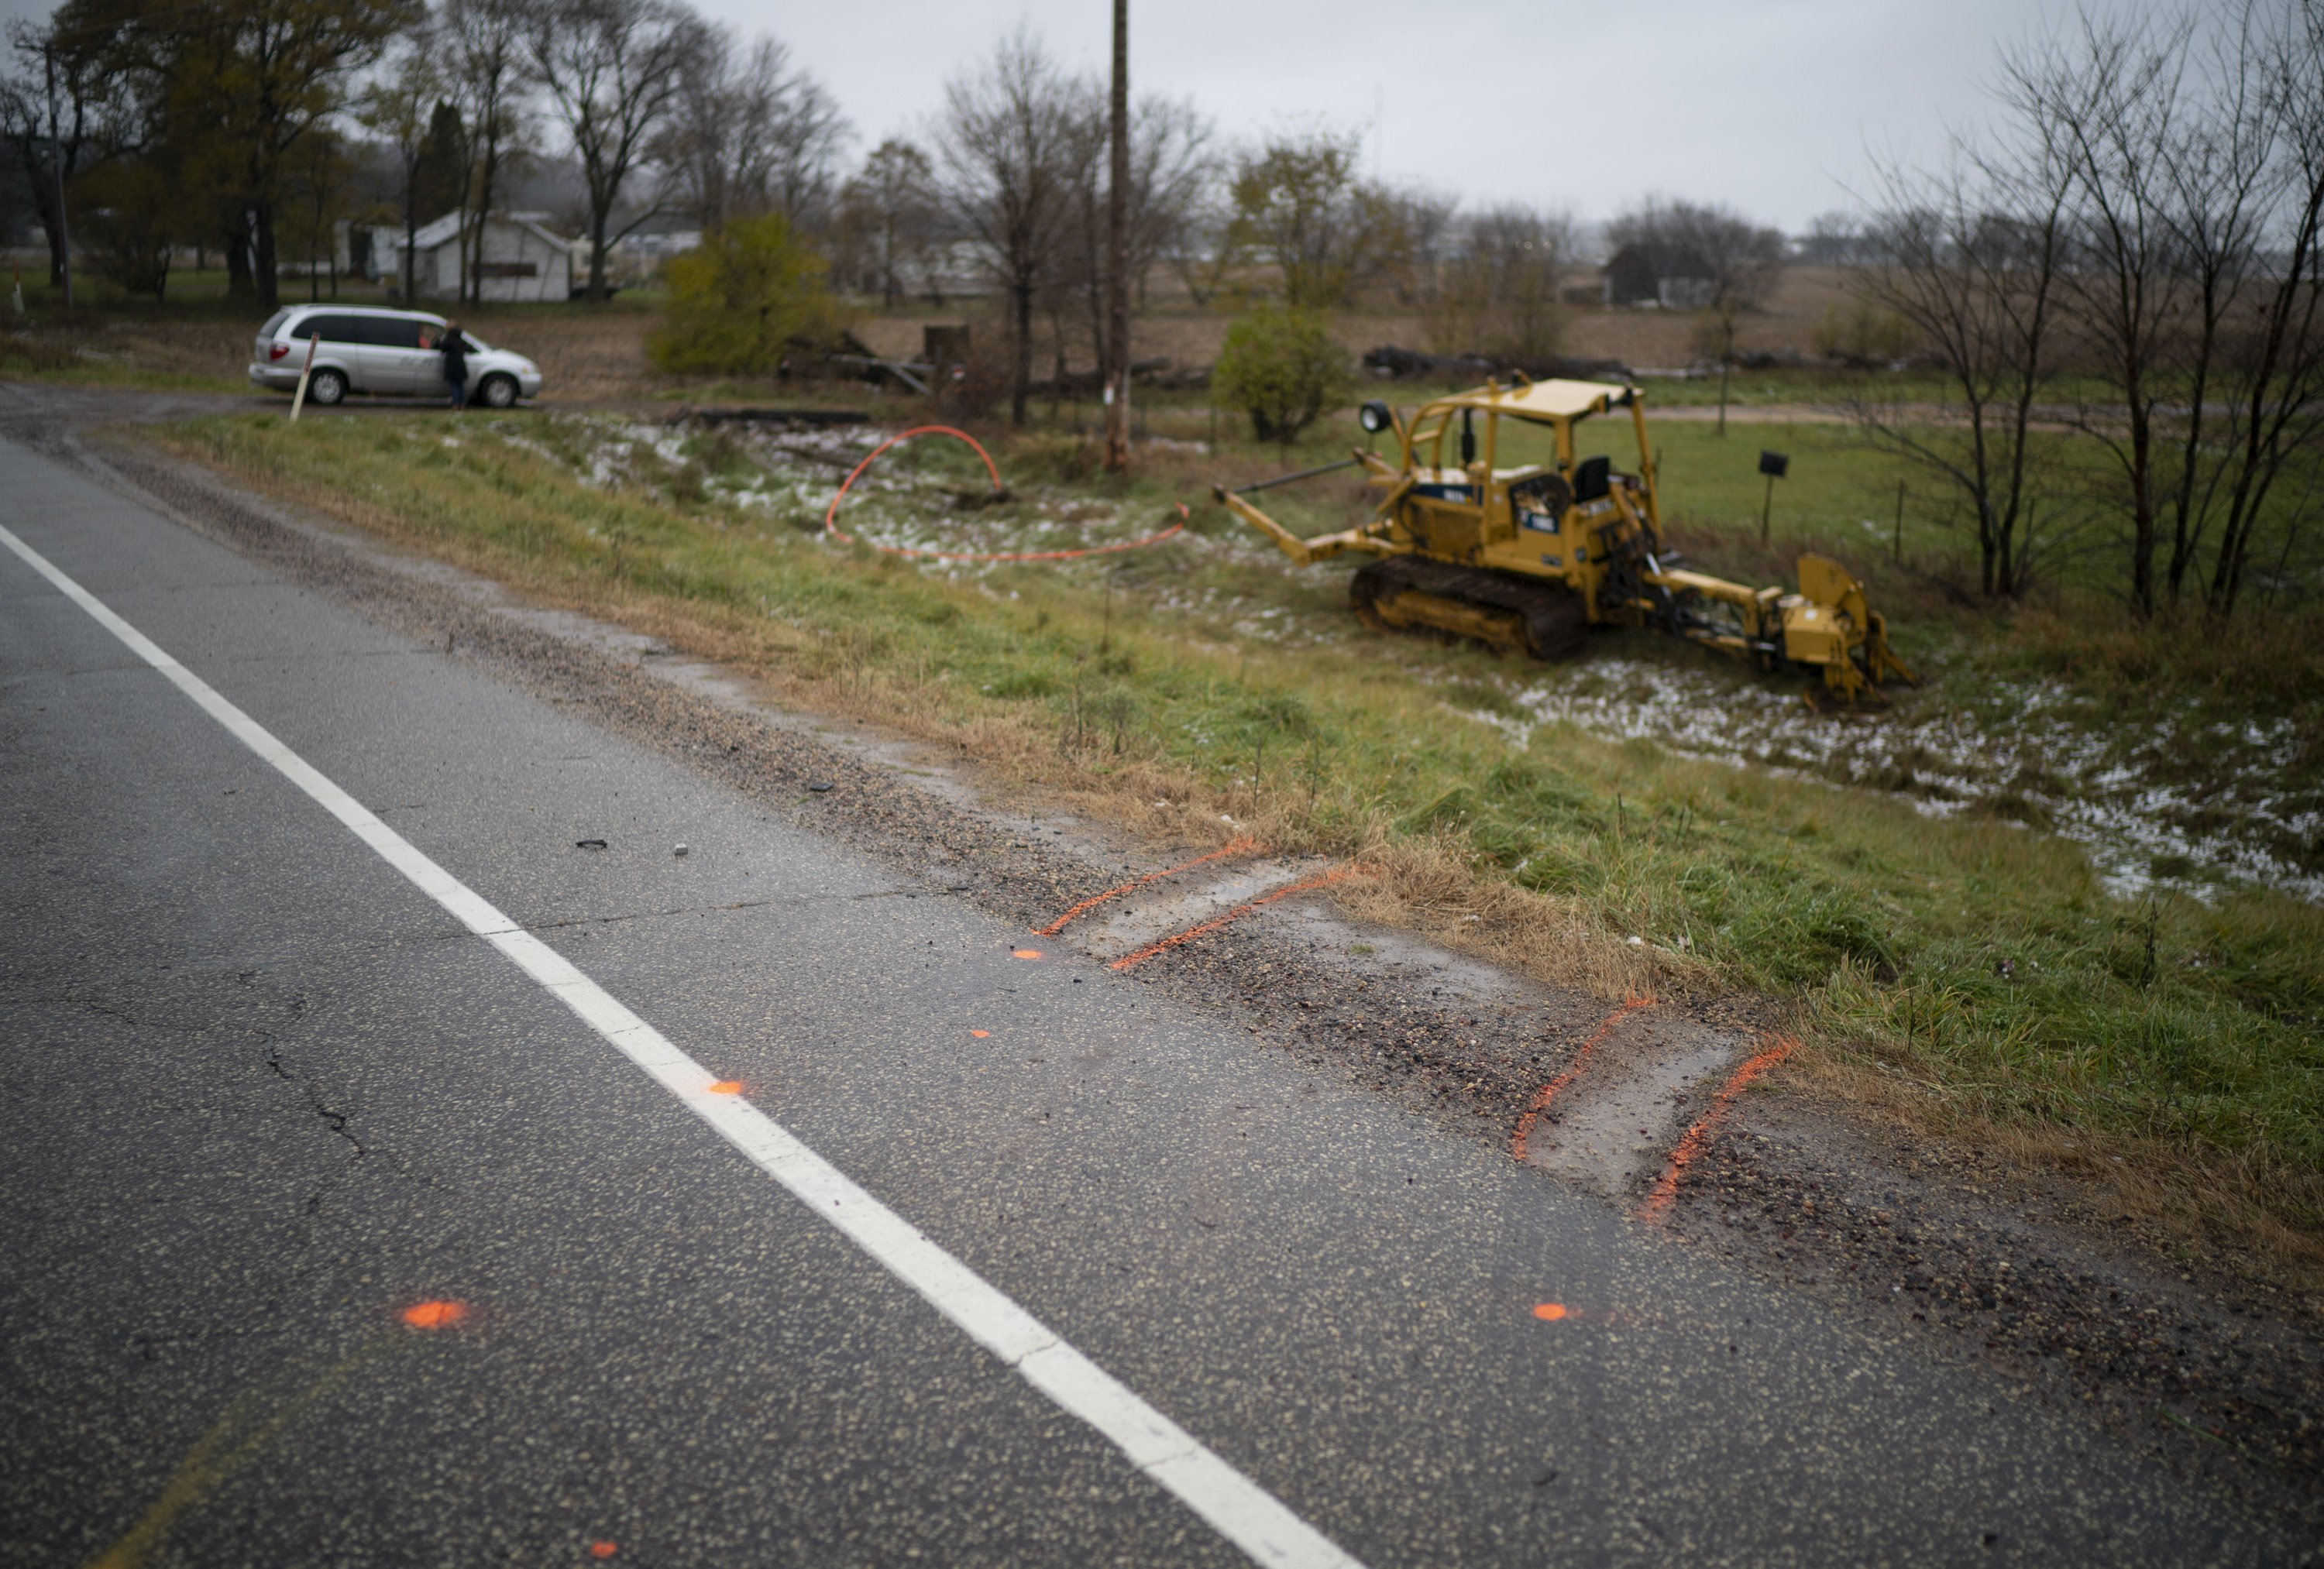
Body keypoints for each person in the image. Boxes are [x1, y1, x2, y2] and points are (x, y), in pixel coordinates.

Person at [439, 319, 471, 409]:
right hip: (460, 364)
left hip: (452, 365)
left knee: (454, 385)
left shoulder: (448, 338)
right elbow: (466, 347)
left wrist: (441, 340)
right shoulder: (460, 337)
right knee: (460, 384)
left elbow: (442, 348)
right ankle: (462, 403)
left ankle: (456, 404)